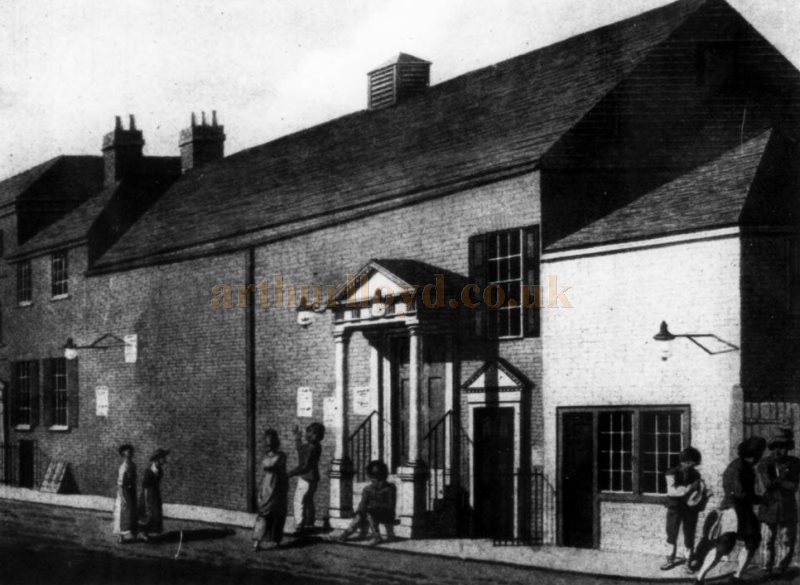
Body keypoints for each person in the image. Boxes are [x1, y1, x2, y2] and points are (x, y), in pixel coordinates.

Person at [693, 436, 767, 584]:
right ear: (753, 453)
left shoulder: (747, 467)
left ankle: (737, 576)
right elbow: (739, 493)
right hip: (732, 511)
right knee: (723, 547)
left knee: (752, 542)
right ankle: (699, 578)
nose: (760, 456)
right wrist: (760, 499)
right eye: (759, 453)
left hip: (744, 511)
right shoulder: (737, 467)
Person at [757, 427, 800, 576]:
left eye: (784, 447)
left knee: (787, 540)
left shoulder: (795, 463)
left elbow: (793, 486)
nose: (780, 450)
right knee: (767, 540)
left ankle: (780, 568)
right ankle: (765, 569)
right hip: (769, 506)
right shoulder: (764, 463)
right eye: (777, 446)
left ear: (788, 448)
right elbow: (767, 484)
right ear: (772, 447)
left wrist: (778, 481)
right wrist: (782, 477)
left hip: (787, 507)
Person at [660, 446, 704, 571]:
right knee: (671, 533)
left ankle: (687, 561)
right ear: (682, 461)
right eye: (688, 463)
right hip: (674, 507)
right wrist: (689, 488)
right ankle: (670, 559)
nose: (690, 466)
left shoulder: (695, 473)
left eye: (693, 463)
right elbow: (672, 491)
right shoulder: (671, 472)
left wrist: (702, 491)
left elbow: (698, 490)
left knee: (689, 534)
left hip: (690, 508)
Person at [337, 460, 396, 546]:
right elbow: (362, 504)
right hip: (370, 512)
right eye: (374, 481)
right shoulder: (368, 489)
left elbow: (391, 505)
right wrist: (360, 512)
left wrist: (375, 506)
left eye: (380, 481)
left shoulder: (390, 488)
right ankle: (346, 533)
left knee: (369, 512)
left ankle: (377, 537)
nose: (378, 483)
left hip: (386, 513)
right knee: (360, 515)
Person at [252, 429, 289, 551]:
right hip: (266, 486)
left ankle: (276, 540)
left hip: (277, 487)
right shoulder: (266, 457)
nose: (267, 445)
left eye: (270, 442)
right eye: (266, 442)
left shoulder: (281, 456)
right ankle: (257, 541)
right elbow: (265, 469)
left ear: (275, 443)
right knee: (263, 513)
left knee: (278, 514)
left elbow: (280, 471)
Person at [288, 422, 324, 534]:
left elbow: (303, 466)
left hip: (306, 478)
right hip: (313, 478)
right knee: (308, 501)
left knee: (299, 501)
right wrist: (297, 437)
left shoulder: (311, 447)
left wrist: (290, 474)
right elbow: (300, 449)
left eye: (310, 432)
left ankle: (299, 526)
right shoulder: (316, 446)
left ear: (315, 434)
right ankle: (309, 524)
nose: (307, 434)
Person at [139, 448, 169, 541]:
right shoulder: (148, 472)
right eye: (162, 458)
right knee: (148, 514)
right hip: (148, 495)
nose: (164, 460)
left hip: (155, 495)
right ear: (157, 459)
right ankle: (144, 533)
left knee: (156, 513)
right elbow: (145, 487)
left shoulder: (160, 471)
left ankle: (152, 532)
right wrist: (146, 501)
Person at [113, 444, 139, 544]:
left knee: (132, 512)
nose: (130, 454)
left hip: (132, 491)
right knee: (123, 513)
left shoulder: (133, 465)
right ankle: (121, 536)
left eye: (131, 452)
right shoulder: (123, 467)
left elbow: (134, 480)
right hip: (124, 492)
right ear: (123, 454)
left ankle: (133, 533)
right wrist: (122, 498)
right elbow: (119, 485)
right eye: (128, 452)